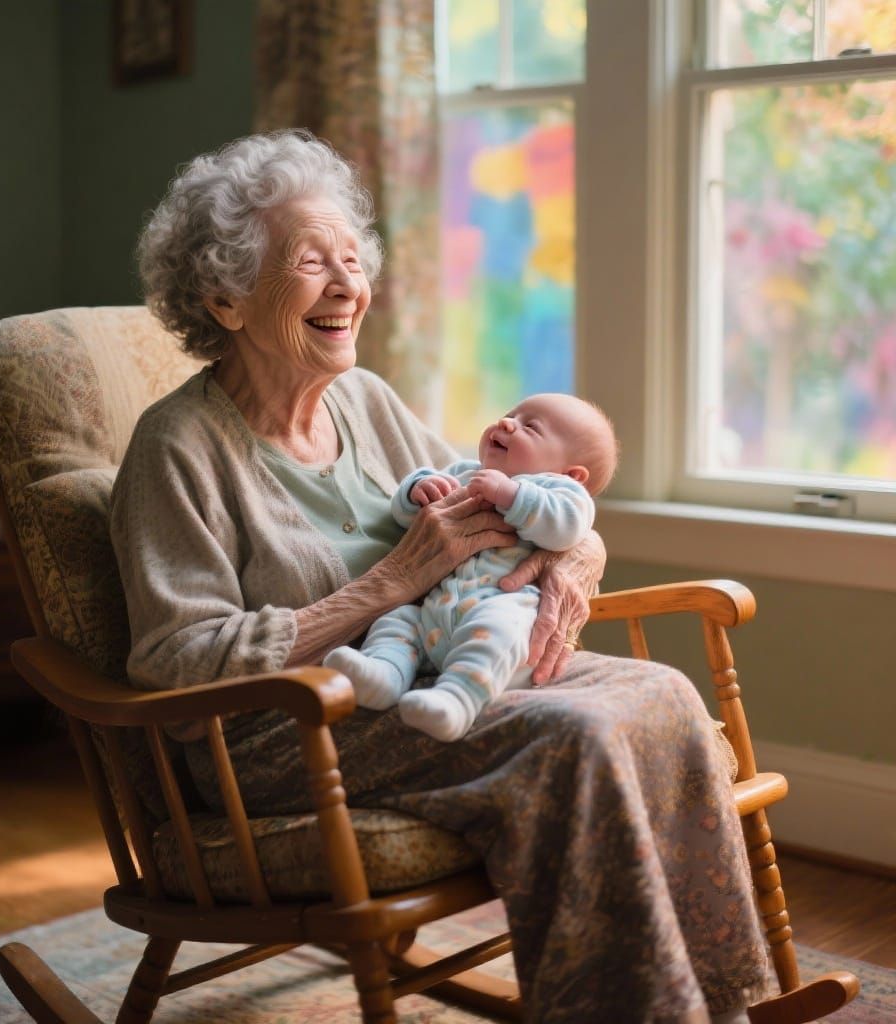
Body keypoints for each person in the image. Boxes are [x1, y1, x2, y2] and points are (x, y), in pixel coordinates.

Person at [110, 129, 769, 1023]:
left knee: (660, 694)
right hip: (286, 733)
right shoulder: (176, 448)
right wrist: (382, 587)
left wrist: (574, 556)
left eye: (353, 256)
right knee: (570, 739)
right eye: (312, 263)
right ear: (226, 298)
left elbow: (511, 500)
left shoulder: (365, 400)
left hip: (426, 675)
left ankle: (721, 1002)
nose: (349, 285)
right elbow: (175, 661)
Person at [325, 392, 617, 741]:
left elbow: (568, 526)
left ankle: (457, 699)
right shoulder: (467, 472)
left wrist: (511, 495)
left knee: (501, 626)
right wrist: (419, 490)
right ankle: (383, 674)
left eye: (531, 428)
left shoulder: (561, 492)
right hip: (433, 613)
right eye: (511, 414)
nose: (507, 423)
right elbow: (405, 515)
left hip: (501, 608)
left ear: (572, 474)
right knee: (397, 620)